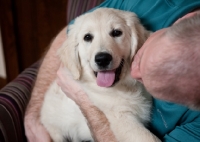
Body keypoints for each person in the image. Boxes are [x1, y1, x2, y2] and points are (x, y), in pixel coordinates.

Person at [24, 0, 200, 142]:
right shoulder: (146, 5)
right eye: (142, 55)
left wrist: (81, 98)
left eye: (116, 33)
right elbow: (69, 33)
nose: (136, 74)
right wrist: (33, 116)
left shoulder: (196, 125)